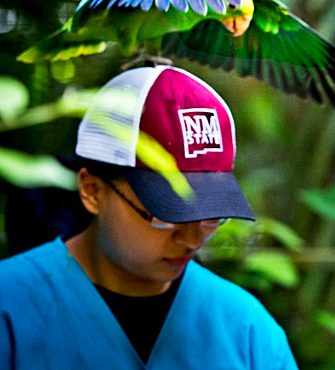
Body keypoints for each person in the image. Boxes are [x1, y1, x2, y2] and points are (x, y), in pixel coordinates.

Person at [0, 65, 299, 370]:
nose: (192, 239)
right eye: (166, 216)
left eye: (210, 216)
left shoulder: (247, 331)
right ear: (93, 191)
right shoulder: (10, 307)